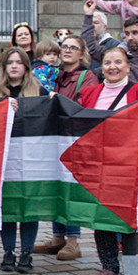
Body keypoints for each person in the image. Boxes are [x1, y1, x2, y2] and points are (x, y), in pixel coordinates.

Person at [79, 45, 138, 275]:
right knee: (102, 216)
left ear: (128, 67)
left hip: (132, 168)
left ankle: (134, 265)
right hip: (101, 166)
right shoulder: (90, 94)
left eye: (118, 62)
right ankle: (109, 267)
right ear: (102, 68)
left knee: (132, 215)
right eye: (108, 63)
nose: (112, 67)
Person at [37, 35, 95, 262]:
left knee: (70, 187)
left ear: (81, 53)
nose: (67, 51)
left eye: (73, 48)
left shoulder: (86, 76)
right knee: (56, 186)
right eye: (65, 47)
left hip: (73, 137)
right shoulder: (54, 74)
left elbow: (83, 106)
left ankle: (73, 240)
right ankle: (58, 237)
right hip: (55, 136)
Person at [0, 48, 42, 272]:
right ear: (4, 66)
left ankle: (27, 252)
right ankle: (8, 251)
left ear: (26, 66)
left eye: (19, 62)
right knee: (8, 205)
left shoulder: (38, 90)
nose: (14, 66)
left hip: (30, 157)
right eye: (10, 62)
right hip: (4, 157)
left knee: (29, 206)